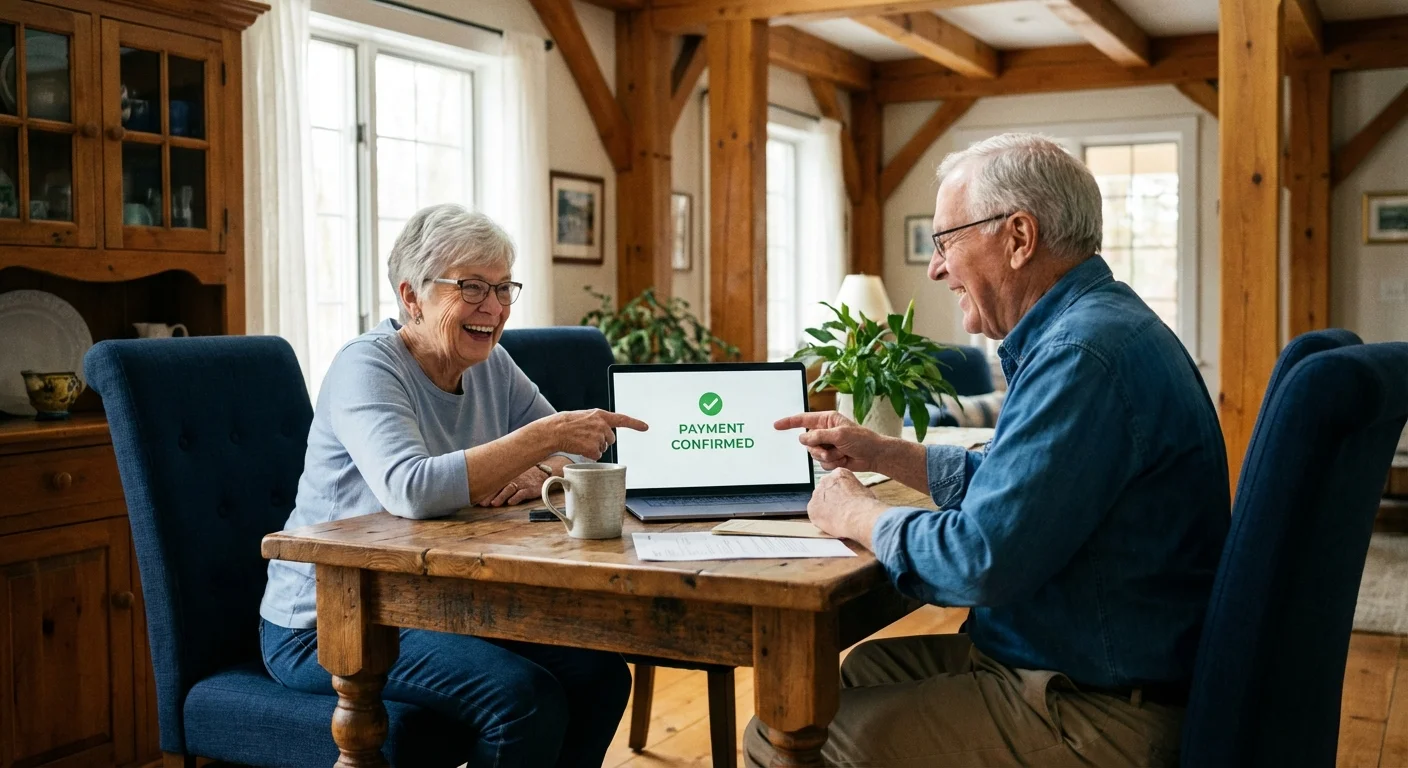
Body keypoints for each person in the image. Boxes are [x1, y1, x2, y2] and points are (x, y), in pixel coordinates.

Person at [748, 133, 1230, 767]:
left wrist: (856, 515)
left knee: (783, 732)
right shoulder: (1101, 324)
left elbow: (979, 559)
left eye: (946, 241)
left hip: (1101, 706)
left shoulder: (1077, 355)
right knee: (855, 673)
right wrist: (883, 453)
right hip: (1089, 657)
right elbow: (1023, 487)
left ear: (1019, 237)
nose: (935, 267)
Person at [259, 204, 648, 767]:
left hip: (440, 602)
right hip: (332, 620)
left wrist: (538, 466)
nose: (492, 307)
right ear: (412, 296)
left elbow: (569, 450)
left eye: (502, 288)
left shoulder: (490, 362)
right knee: (523, 700)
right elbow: (410, 489)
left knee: (600, 676)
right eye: (470, 287)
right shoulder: (366, 367)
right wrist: (540, 441)